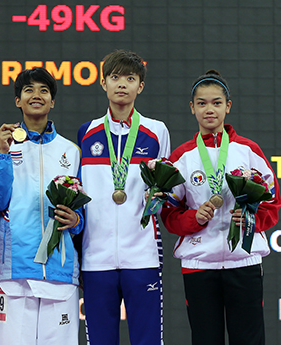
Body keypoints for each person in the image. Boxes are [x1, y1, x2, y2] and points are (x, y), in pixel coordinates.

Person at [161, 70, 281, 345]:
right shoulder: (182, 157)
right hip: (199, 264)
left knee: (249, 340)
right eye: (201, 103)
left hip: (244, 261)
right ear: (192, 108)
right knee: (205, 340)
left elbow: (272, 203)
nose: (209, 109)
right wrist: (194, 218)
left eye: (216, 102)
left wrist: (251, 219)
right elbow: (169, 214)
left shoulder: (249, 151)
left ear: (228, 106)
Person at [0, 67, 83, 345]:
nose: (36, 95)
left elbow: (82, 214)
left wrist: (76, 220)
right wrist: (3, 154)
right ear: (18, 101)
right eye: (28, 90)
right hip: (16, 271)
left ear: (52, 101)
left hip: (59, 272)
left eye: (44, 90)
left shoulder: (70, 151)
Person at [77, 49, 170, 345]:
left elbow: (166, 190)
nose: (122, 84)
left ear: (140, 86)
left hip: (142, 255)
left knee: (148, 341)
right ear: (103, 83)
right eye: (115, 77)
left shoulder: (156, 132)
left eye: (130, 78)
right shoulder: (86, 133)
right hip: (96, 259)